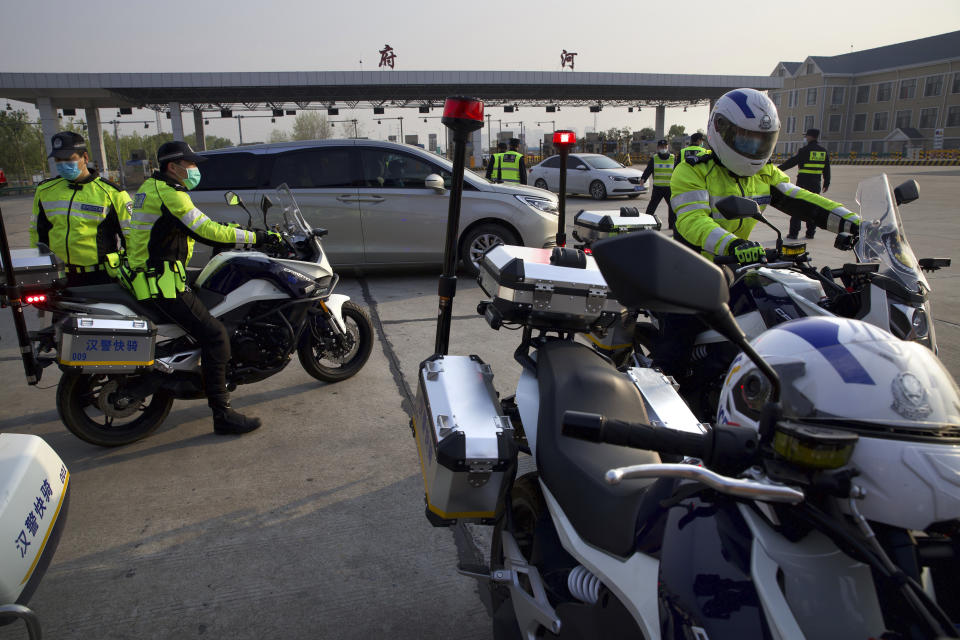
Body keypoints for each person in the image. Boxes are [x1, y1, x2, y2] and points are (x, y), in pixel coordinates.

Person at [656, 88, 859, 388]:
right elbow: (691, 220)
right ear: (720, 130)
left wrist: (857, 224)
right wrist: (733, 244)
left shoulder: (764, 174)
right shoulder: (693, 169)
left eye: (762, 140)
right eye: (745, 137)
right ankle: (663, 393)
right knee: (676, 344)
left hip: (738, 265)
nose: (754, 146)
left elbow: (804, 201)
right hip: (694, 267)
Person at [122, 141, 278, 435]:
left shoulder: (151, 188)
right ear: (173, 166)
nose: (194, 169)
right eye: (190, 164)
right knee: (216, 336)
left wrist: (228, 231)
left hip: (156, 274)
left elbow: (189, 225)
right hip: (163, 282)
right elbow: (203, 229)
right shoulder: (170, 193)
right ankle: (223, 414)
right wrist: (256, 238)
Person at [30, 132, 132, 286]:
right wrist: (37, 267)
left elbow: (131, 237)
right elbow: (37, 233)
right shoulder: (45, 190)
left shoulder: (112, 193)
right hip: (59, 277)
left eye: (69, 159)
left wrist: (131, 270)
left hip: (101, 277)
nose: (62, 164)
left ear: (85, 157)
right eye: (58, 160)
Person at [778, 128, 831, 239]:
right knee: (812, 208)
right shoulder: (823, 151)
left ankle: (794, 233)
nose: (806, 138)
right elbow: (827, 169)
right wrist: (827, 182)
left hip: (803, 184)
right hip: (816, 184)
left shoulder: (805, 150)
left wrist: (777, 170)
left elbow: (791, 162)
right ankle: (810, 233)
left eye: (807, 136)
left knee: (797, 208)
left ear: (811, 136)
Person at [639, 139, 677, 229]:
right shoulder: (654, 158)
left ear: (667, 147)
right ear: (658, 148)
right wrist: (643, 179)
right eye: (661, 147)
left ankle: (672, 225)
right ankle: (646, 223)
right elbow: (648, 170)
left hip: (669, 188)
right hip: (658, 188)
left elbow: (677, 171)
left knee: (672, 208)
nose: (663, 148)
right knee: (652, 207)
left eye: (665, 147)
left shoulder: (673, 157)